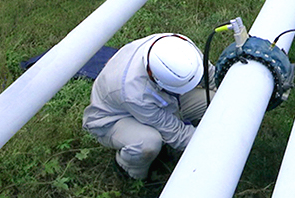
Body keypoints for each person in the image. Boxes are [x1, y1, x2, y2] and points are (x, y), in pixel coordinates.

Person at [83, 33, 213, 179]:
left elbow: (211, 76)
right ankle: (129, 172)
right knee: (148, 144)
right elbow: (176, 132)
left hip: (162, 100)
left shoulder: (181, 47)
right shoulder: (134, 92)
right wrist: (211, 149)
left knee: (213, 101)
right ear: (156, 79)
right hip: (114, 117)